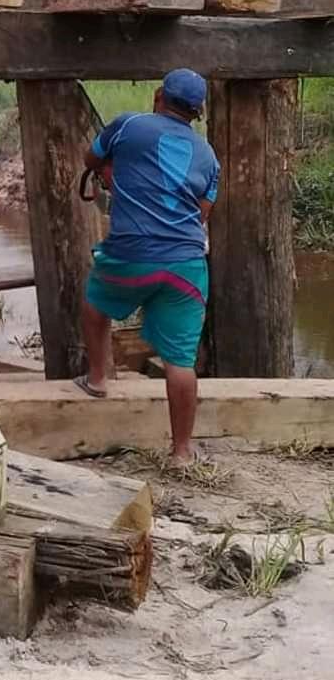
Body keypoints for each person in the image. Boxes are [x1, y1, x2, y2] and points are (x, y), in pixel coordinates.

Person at [76, 69, 220, 466]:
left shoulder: (129, 124)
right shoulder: (209, 156)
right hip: (186, 265)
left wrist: (112, 173)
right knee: (180, 362)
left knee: (95, 305)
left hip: (131, 256)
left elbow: (91, 157)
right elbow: (201, 215)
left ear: (158, 95)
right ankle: (181, 451)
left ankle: (98, 379)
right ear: (198, 111)